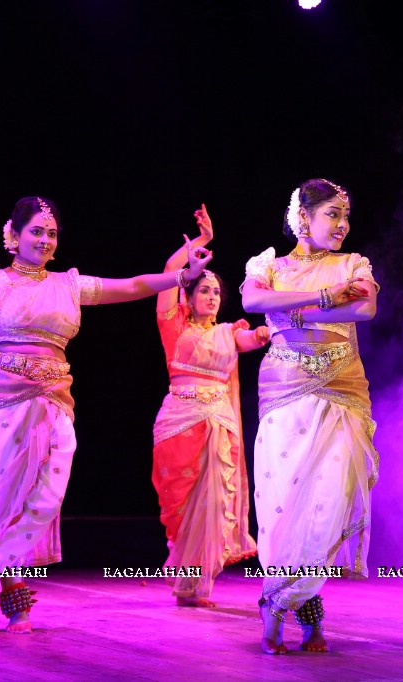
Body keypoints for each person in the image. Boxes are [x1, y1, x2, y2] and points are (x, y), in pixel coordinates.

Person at [0, 193, 212, 634]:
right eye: (36, 230)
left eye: (52, 233)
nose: (46, 240)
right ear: (12, 235)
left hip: (53, 400)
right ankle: (8, 599)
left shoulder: (68, 285)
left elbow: (130, 285)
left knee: (44, 498)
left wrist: (181, 275)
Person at [240, 178, 379, 654]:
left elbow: (364, 308)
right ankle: (287, 607)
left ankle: (291, 604)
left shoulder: (354, 263)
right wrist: (323, 299)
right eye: (332, 215)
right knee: (284, 506)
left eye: (345, 216)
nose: (342, 225)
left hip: (342, 392)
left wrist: (291, 315)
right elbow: (253, 302)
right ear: (304, 218)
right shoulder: (268, 265)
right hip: (285, 393)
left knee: (328, 503)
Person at [151, 204, 269, 607]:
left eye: (217, 291)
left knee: (216, 503)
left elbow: (250, 339)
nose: (212, 296)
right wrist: (199, 244)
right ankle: (183, 578)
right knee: (182, 505)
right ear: (188, 293)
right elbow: (168, 273)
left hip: (219, 423)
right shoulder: (173, 323)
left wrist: (267, 332)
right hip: (179, 423)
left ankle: (199, 586)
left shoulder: (226, 333)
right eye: (204, 289)